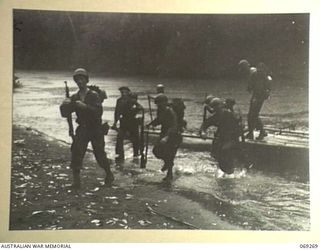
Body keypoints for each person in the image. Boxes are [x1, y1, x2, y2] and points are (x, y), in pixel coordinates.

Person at [60, 68, 114, 189]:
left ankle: (109, 174)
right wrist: (65, 105)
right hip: (83, 129)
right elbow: (66, 114)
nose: (80, 82)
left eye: (82, 79)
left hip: (95, 129)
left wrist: (85, 106)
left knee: (100, 155)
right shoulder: (75, 96)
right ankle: (76, 182)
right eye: (77, 80)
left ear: (86, 80)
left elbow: (98, 112)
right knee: (76, 153)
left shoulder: (93, 95)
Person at [199, 98, 241, 174]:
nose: (216, 109)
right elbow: (205, 124)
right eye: (214, 107)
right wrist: (203, 132)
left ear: (221, 106)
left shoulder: (229, 114)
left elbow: (238, 126)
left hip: (232, 138)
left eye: (217, 107)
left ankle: (230, 169)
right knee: (215, 152)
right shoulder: (216, 116)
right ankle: (223, 169)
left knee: (225, 150)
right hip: (222, 138)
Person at [148, 94, 182, 181]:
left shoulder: (170, 112)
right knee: (156, 151)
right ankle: (167, 163)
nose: (159, 105)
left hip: (173, 135)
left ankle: (169, 174)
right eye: (158, 104)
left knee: (169, 154)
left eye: (160, 103)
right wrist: (150, 124)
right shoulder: (162, 110)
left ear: (164, 103)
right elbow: (159, 120)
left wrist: (167, 137)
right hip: (165, 134)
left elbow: (174, 125)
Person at [238, 60, 272, 140]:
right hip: (259, 95)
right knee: (252, 115)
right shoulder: (254, 72)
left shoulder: (253, 73)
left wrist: (255, 98)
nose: (242, 71)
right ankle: (254, 132)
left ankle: (260, 132)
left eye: (242, 69)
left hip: (258, 96)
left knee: (252, 115)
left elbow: (258, 86)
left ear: (245, 67)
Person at [112, 87, 143, 163]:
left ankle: (136, 155)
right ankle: (119, 155)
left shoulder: (132, 100)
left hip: (132, 122)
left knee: (135, 139)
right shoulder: (119, 101)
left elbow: (140, 108)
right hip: (124, 122)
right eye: (122, 92)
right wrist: (115, 122)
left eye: (125, 92)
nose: (123, 94)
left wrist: (135, 111)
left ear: (128, 93)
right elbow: (117, 112)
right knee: (119, 138)